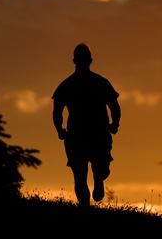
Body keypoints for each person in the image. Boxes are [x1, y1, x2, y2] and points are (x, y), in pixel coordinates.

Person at [52, 43, 121, 207]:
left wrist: (60, 130)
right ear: (91, 60)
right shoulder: (101, 82)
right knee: (84, 173)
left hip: (80, 135)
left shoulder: (66, 85)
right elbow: (115, 106)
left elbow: (57, 112)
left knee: (81, 175)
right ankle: (88, 201)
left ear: (74, 60)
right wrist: (115, 124)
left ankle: (94, 187)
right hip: (92, 134)